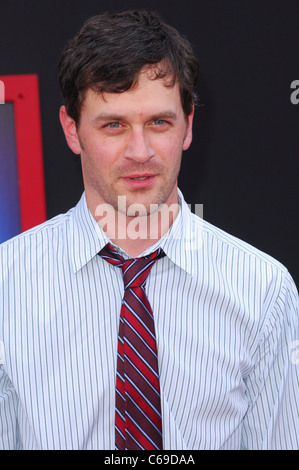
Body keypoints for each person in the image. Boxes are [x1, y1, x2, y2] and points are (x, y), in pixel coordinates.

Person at [0, 10, 298, 451]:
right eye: (114, 125)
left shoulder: (263, 290)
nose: (139, 152)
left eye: (159, 122)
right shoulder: (7, 283)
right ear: (71, 129)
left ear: (188, 125)